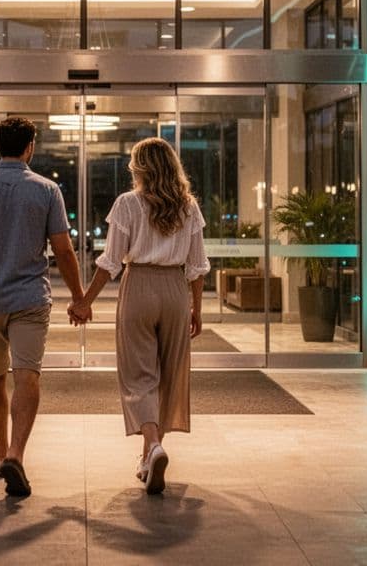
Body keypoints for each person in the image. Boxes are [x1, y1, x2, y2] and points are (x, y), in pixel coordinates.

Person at [0, 116, 84, 498]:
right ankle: (16, 454)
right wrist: (78, 297)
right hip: (29, 299)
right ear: (30, 147)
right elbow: (63, 249)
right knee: (27, 376)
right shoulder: (46, 190)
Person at [69, 137, 208, 495]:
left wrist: (84, 302)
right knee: (170, 372)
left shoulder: (127, 204)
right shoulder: (189, 206)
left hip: (139, 286)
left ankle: (153, 445)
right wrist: (197, 308)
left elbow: (110, 262)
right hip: (175, 290)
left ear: (140, 167)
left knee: (138, 374)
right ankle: (150, 454)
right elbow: (197, 265)